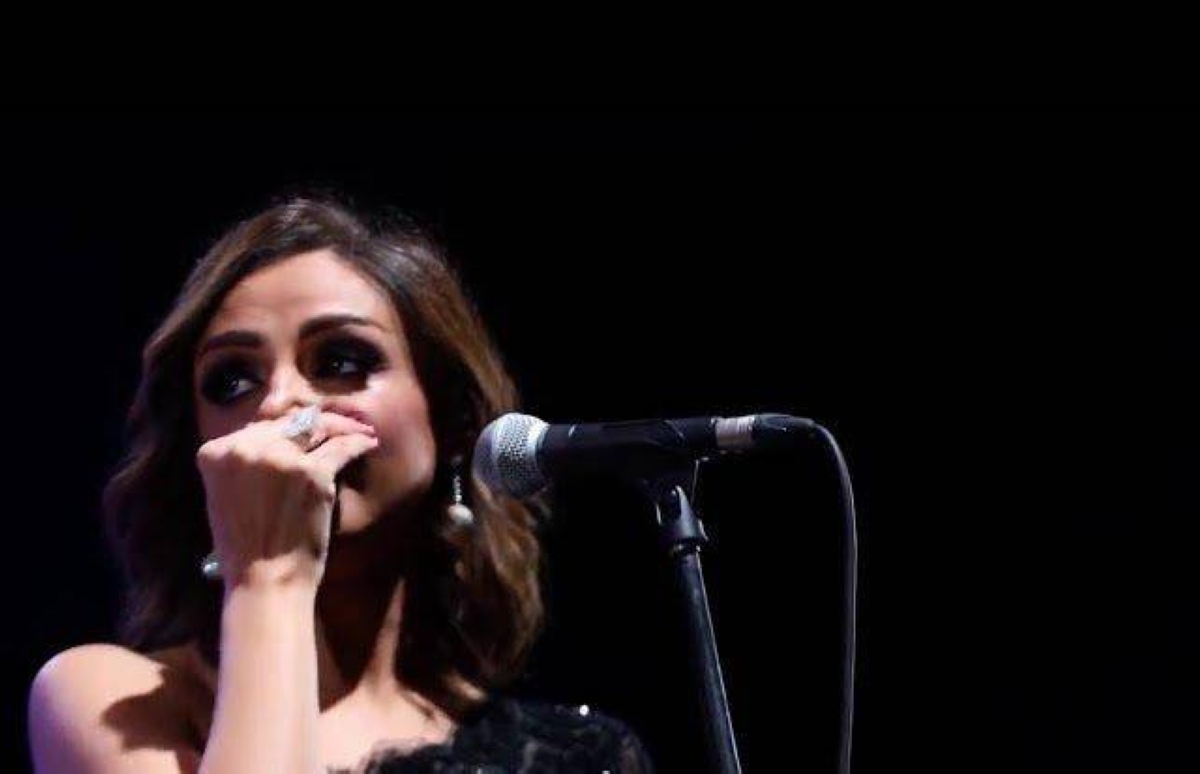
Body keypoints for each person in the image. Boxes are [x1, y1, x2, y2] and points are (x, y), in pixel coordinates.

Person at [27, 196, 655, 772]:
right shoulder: (113, 705)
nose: (279, 404)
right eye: (231, 380)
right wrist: (269, 575)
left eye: (340, 362)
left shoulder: (573, 755)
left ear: (454, 421)